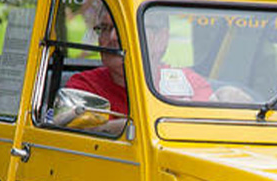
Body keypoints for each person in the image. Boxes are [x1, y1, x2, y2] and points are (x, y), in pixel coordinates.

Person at [65, 7, 213, 117]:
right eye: (105, 28)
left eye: (126, 29)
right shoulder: (84, 86)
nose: (113, 37)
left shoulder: (190, 86)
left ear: (161, 38)